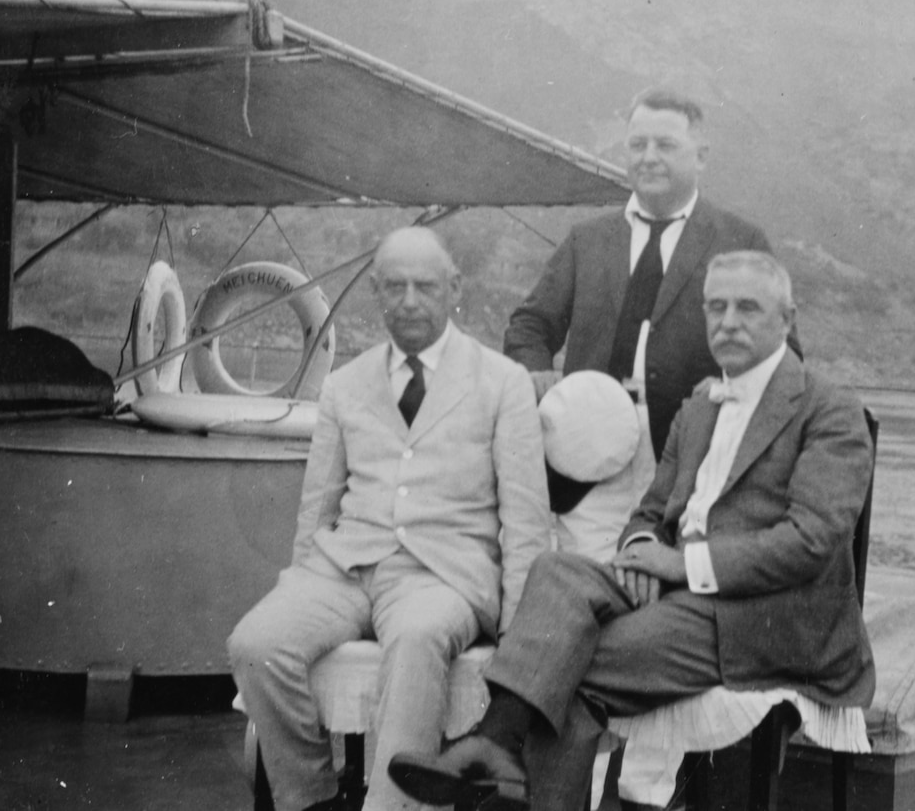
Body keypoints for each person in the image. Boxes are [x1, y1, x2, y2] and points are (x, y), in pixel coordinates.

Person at [388, 250, 875, 811]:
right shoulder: (699, 406)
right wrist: (642, 549)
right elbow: (650, 512)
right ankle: (496, 748)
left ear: (787, 319)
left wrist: (681, 566)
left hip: (767, 617)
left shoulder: (829, 408)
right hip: (680, 592)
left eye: (748, 308)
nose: (728, 323)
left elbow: (810, 541)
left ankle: (495, 752)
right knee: (556, 570)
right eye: (715, 308)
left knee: (572, 666)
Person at [228, 227, 552, 811]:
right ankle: (311, 799)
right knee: (255, 643)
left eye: (424, 287)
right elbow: (318, 505)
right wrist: (300, 588)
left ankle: (392, 806)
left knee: (418, 638)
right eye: (394, 287)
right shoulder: (345, 385)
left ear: (453, 288)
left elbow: (526, 520)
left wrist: (517, 637)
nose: (409, 301)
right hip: (344, 567)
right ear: (375, 291)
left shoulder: (502, 382)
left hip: (444, 575)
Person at [503, 87, 801, 465]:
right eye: (638, 145)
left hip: (693, 459)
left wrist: (730, 390)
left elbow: (785, 352)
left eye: (665, 145)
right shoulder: (587, 240)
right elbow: (529, 325)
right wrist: (536, 372)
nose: (649, 158)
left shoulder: (740, 241)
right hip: (584, 454)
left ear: (701, 157)